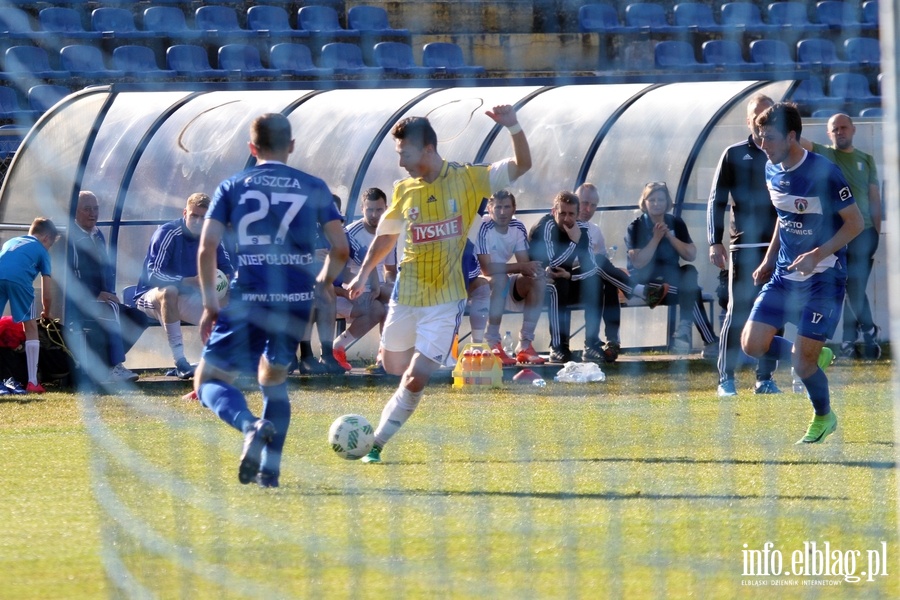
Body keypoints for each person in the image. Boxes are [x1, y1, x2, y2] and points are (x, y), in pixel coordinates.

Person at [347, 104, 531, 464]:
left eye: (405, 153)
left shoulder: (467, 178)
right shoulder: (403, 190)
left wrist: (513, 126)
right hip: (406, 296)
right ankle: (402, 386)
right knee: (392, 367)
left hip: (445, 300)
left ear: (427, 149)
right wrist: (363, 273)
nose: (401, 162)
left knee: (416, 378)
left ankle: (376, 444)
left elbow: (521, 165)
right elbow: (385, 237)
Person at [194, 113, 348, 487]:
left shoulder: (233, 185)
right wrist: (323, 282)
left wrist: (210, 305)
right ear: (291, 146)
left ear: (252, 148)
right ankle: (270, 473)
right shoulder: (313, 185)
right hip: (294, 301)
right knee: (273, 381)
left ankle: (249, 425)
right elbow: (340, 248)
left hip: (250, 298)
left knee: (207, 380)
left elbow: (206, 248)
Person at [742, 102, 863, 444]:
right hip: (783, 274)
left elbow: (856, 224)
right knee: (752, 344)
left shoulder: (824, 172)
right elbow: (785, 218)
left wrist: (817, 254)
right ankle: (809, 353)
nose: (762, 144)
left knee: (802, 364)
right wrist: (768, 260)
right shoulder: (771, 170)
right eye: (759, 136)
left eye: (769, 138)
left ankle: (823, 417)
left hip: (824, 278)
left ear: (792, 136)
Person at [530, 191, 668, 363]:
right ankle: (558, 347)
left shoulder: (582, 229)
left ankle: (592, 346)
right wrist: (574, 243)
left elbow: (591, 267)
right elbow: (552, 265)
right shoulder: (545, 227)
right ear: (553, 212)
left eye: (571, 214)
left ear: (577, 213)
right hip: (540, 285)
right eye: (562, 213)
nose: (567, 218)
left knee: (599, 275)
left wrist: (571, 274)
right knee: (558, 285)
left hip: (566, 279)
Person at [707, 94, 783, 396]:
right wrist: (715, 240)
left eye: (768, 113)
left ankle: (765, 378)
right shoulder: (734, 154)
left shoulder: (783, 154)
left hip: (778, 246)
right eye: (757, 114)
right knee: (738, 311)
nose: (762, 118)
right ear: (748, 119)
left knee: (774, 313)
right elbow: (717, 199)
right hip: (744, 247)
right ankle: (726, 379)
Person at [799, 113, 882, 360]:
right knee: (849, 287)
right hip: (841, 234)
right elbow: (799, 141)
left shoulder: (866, 160)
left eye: (843, 127)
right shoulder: (826, 154)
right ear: (829, 134)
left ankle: (858, 336)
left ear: (853, 129)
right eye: (834, 129)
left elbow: (875, 198)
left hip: (865, 233)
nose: (840, 132)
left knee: (854, 287)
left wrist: (876, 233)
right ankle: (864, 333)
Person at [133, 193, 235, 379]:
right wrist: (190, 281)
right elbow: (153, 275)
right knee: (170, 292)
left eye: (203, 217)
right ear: (185, 213)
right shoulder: (168, 233)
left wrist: (225, 279)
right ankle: (180, 362)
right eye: (193, 215)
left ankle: (219, 362)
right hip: (151, 296)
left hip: (188, 297)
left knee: (231, 300)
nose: (197, 221)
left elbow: (228, 269)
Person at [626, 182, 718, 354]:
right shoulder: (636, 227)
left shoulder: (675, 223)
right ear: (644, 202)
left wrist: (669, 236)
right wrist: (656, 238)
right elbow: (638, 262)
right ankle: (707, 339)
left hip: (673, 280)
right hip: (647, 286)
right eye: (651, 200)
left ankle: (687, 330)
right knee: (692, 291)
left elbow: (691, 254)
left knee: (690, 271)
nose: (656, 203)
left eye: (660, 199)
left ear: (667, 202)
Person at [66, 191, 140, 384]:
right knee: (112, 309)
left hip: (101, 296)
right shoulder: (70, 238)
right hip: (78, 299)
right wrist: (97, 294)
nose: (93, 213)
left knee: (138, 317)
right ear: (75, 212)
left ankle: (104, 365)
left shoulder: (97, 234)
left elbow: (105, 268)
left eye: (96, 208)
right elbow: (69, 275)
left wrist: (110, 292)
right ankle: (115, 366)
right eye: (87, 209)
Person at [472, 189, 545, 365]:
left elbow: (524, 265)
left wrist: (537, 271)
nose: (502, 212)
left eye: (506, 207)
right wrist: (521, 267)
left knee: (536, 281)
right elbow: (487, 269)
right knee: (500, 280)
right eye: (498, 208)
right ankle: (493, 342)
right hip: (476, 282)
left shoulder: (517, 227)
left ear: (514, 209)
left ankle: (525, 345)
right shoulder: (483, 226)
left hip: (501, 277)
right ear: (489, 209)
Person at [333, 187, 396, 370]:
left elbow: (390, 270)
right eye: (370, 210)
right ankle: (389, 355)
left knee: (389, 303)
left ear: (387, 208)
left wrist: (390, 283)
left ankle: (384, 356)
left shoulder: (389, 233)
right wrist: (369, 285)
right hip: (350, 293)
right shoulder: (351, 233)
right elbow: (338, 271)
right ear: (362, 209)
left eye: (379, 210)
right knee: (392, 301)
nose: (374, 214)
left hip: (376, 289)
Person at [0, 217, 59, 394]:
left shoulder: (11, 241)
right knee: (31, 327)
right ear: (46, 238)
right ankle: (33, 382)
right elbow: (46, 293)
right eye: (51, 244)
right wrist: (46, 313)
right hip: (19, 281)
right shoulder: (42, 251)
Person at [576, 182, 624, 362]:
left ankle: (612, 341)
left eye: (593, 205)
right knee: (598, 269)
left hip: (593, 283)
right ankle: (634, 288)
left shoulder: (595, 230)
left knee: (608, 282)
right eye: (584, 203)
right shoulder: (563, 224)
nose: (588, 209)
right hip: (571, 283)